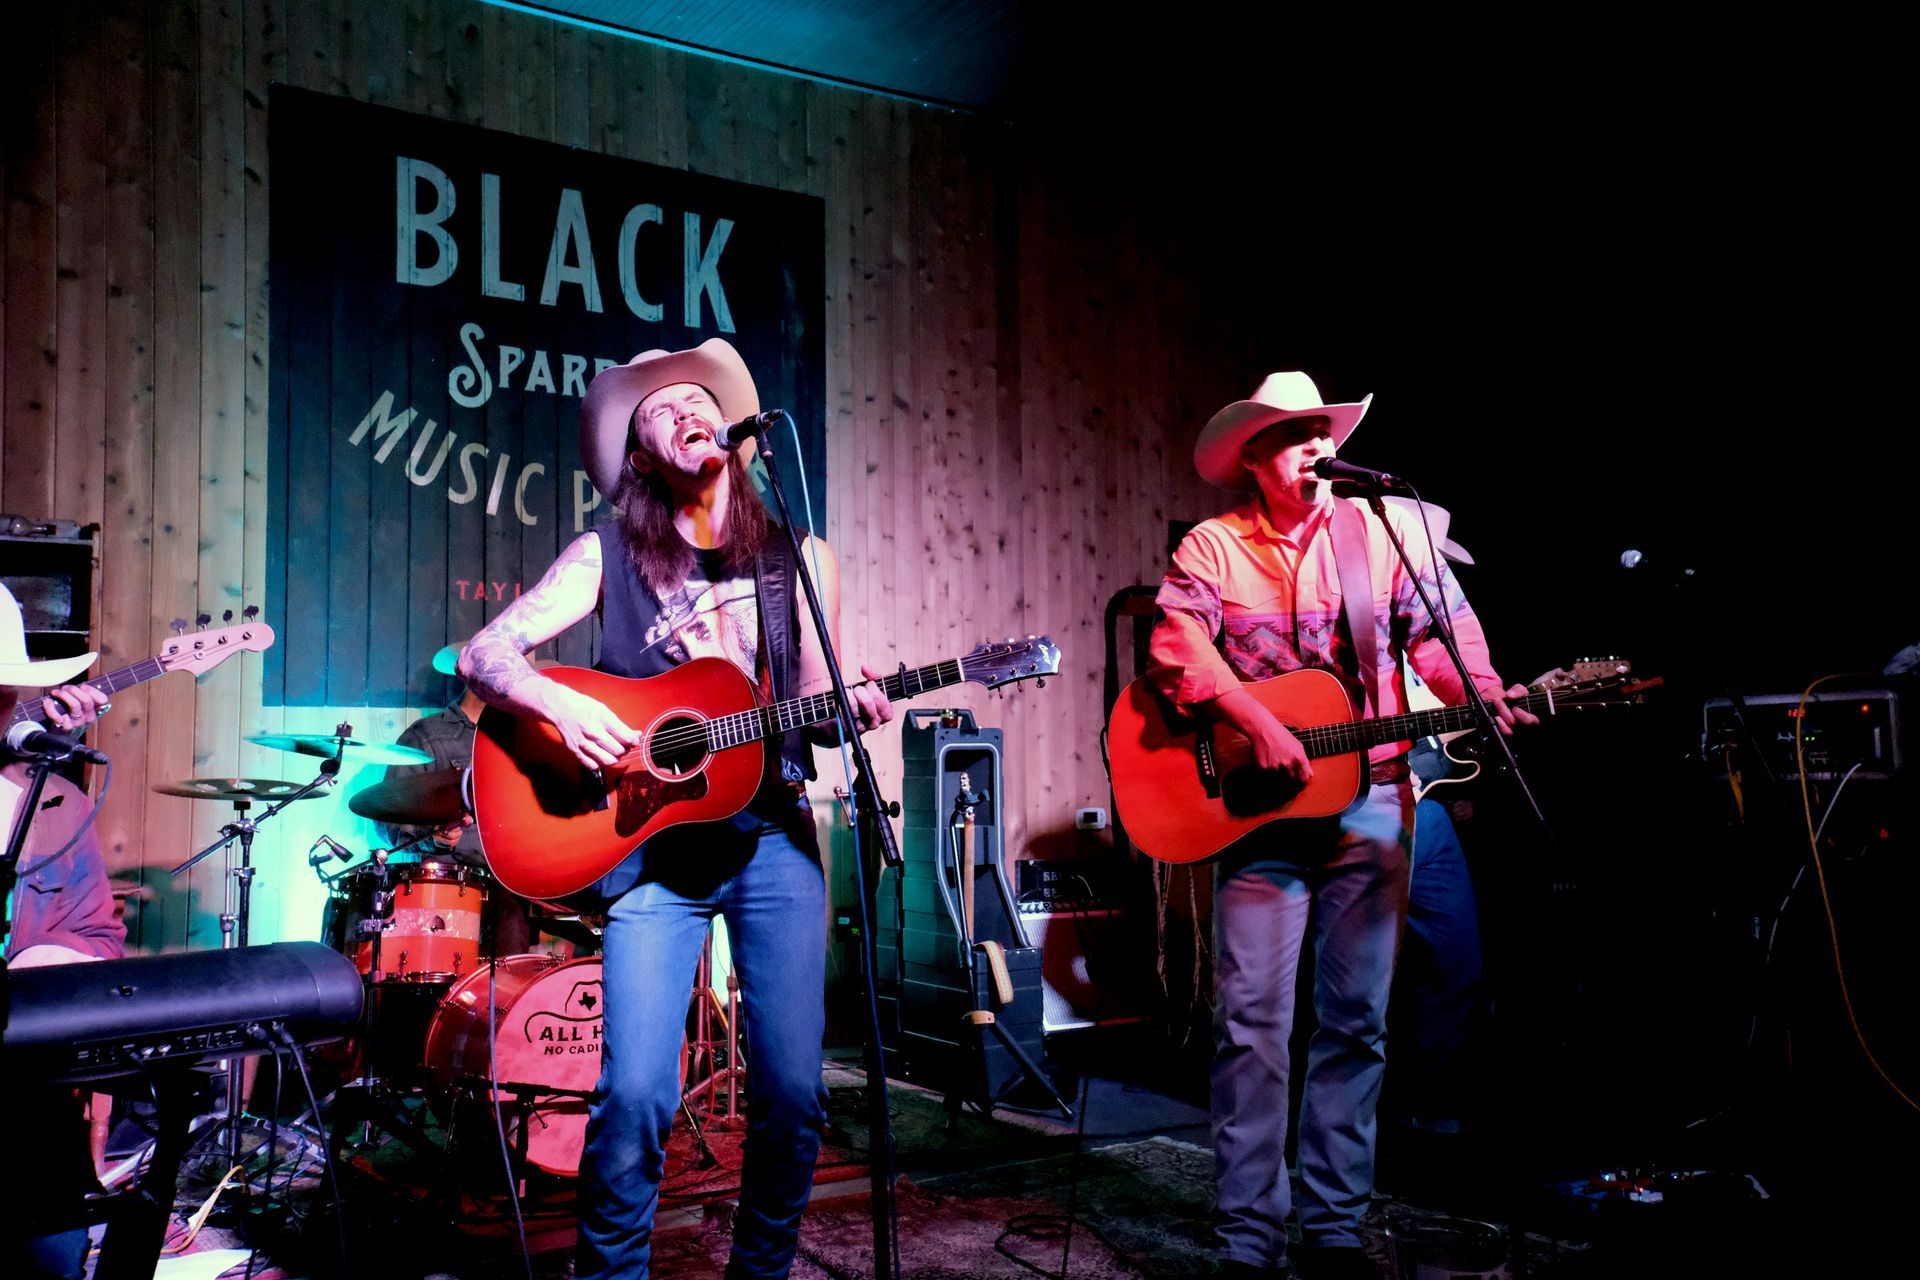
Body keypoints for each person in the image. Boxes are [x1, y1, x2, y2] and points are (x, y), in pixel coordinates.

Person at [458, 338, 893, 1280]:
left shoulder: (799, 557)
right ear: (642, 460)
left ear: (731, 432)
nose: (685, 410)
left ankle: (761, 1274)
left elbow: (812, 707)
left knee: (794, 1094)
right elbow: (482, 654)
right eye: (658, 411)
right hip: (652, 849)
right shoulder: (604, 553)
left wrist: (850, 705)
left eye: (698, 399)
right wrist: (554, 700)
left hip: (773, 834)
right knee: (636, 1097)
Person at [1145, 373, 1534, 1280]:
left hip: (1374, 801)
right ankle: (1249, 1238)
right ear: (1254, 459)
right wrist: (1254, 719)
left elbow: (1441, 635)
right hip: (1260, 818)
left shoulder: (1380, 535)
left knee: (1356, 1022)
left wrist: (1481, 691)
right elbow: (1175, 647)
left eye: (1322, 431)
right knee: (1252, 1025)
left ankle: (1332, 1229)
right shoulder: (1213, 546)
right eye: (1294, 436)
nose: (1316, 447)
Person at [2, 582, 122, 1280]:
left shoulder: (58, 801)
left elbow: (100, 935)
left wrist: (49, 959)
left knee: (52, 1253)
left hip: (23, 1084)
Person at [374, 664, 532, 956]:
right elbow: (387, 818)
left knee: (513, 972)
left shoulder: (522, 739)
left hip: (510, 890)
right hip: (445, 889)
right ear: (478, 677)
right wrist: (431, 836)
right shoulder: (427, 736)